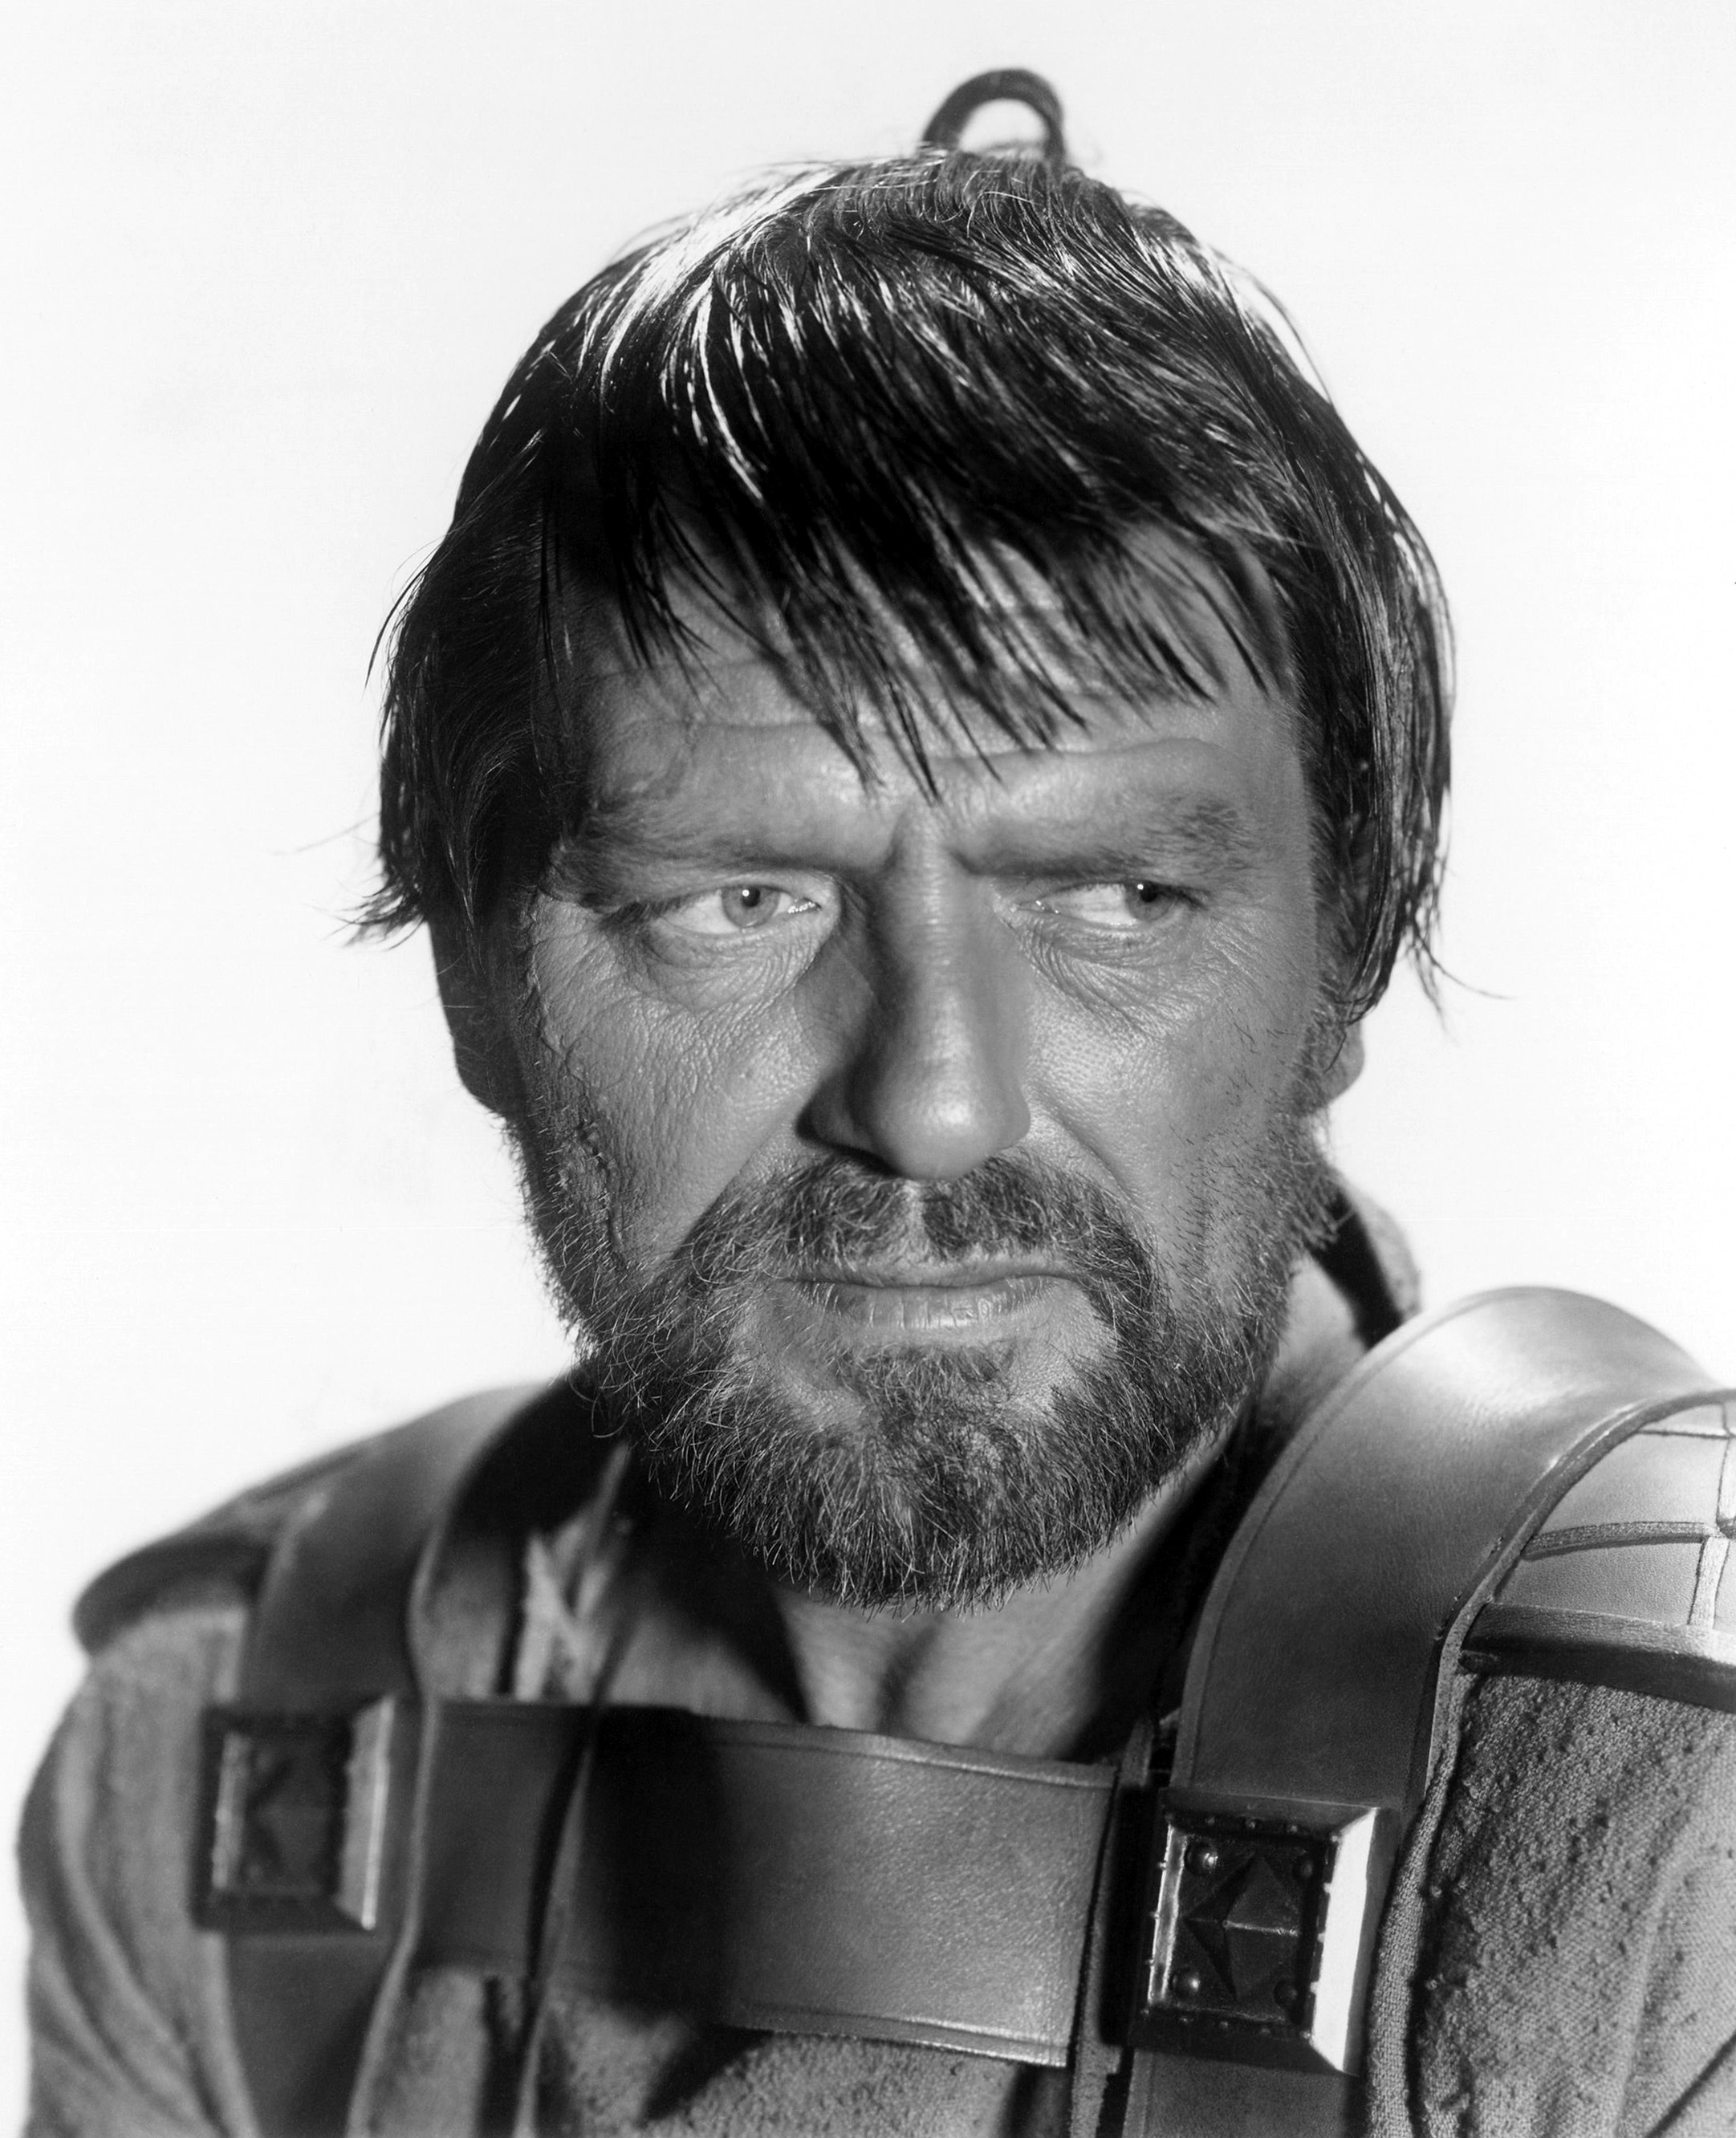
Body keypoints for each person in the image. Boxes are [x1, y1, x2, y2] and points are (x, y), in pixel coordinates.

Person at [19, 71, 1736, 2138]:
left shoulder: (1674, 1836)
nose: (931, 1104)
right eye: (735, 903)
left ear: (1345, 952)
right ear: (472, 973)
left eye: (1113, 895)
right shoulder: (245, 1748)